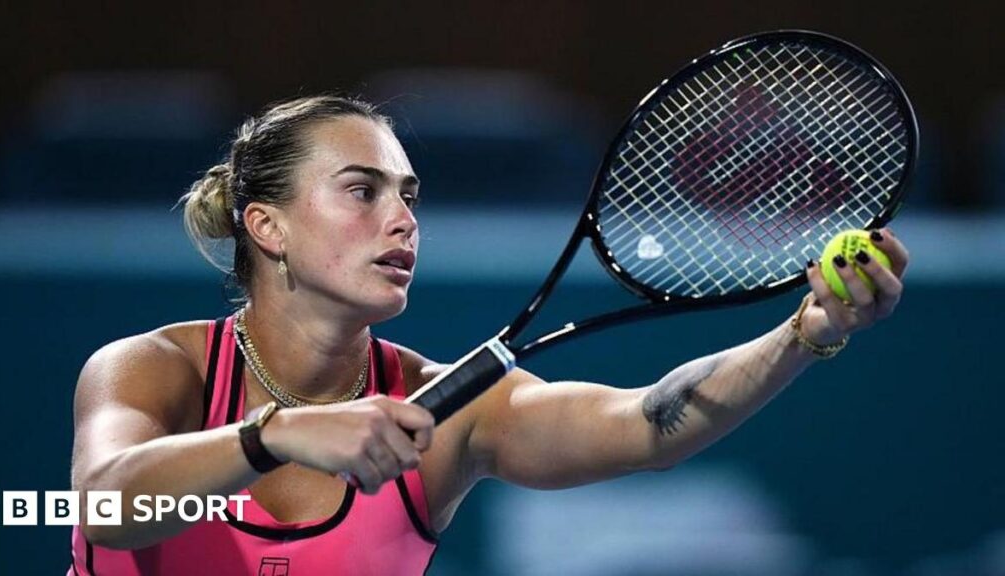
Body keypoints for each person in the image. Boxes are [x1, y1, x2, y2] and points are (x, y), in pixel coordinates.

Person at [68, 95, 909, 575]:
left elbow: (650, 423)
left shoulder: (451, 413)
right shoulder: (152, 370)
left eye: (410, 195)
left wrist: (805, 333)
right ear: (267, 226)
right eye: (362, 191)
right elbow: (106, 505)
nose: (402, 220)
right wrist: (281, 432)